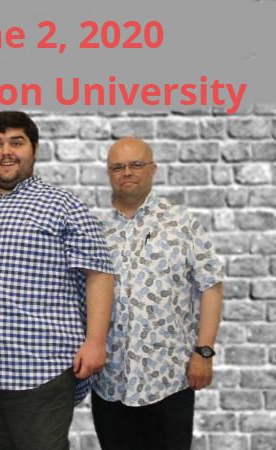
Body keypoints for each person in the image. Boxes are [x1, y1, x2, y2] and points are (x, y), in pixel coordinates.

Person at [0, 111, 115, 450]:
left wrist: (96, 341)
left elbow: (98, 273)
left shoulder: (64, 206)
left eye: (16, 142)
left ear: (34, 149)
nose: (5, 151)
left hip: (39, 367)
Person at [91, 137, 224, 450]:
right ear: (109, 174)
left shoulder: (182, 223)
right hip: (111, 382)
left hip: (170, 378)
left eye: (136, 164)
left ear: (153, 169)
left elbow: (212, 286)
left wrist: (204, 351)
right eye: (118, 167)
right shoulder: (94, 232)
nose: (127, 172)